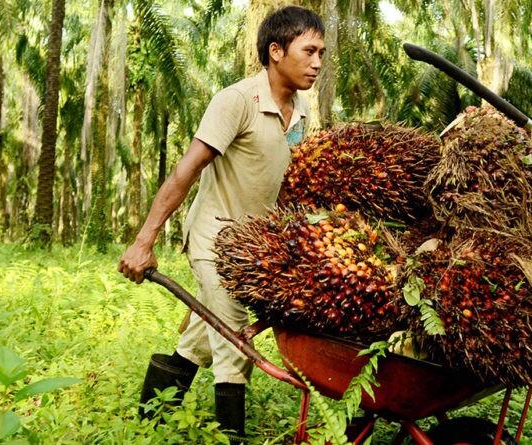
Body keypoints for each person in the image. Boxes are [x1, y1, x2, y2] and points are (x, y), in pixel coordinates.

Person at [117, 6, 325, 442]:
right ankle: (230, 436)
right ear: (275, 51)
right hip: (215, 236)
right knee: (233, 338)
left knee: (199, 335)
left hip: (252, 245)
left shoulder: (303, 111)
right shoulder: (236, 101)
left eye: (321, 52)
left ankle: (150, 425)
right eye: (308, 51)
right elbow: (185, 172)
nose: (317, 62)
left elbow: (289, 186)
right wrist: (143, 241)